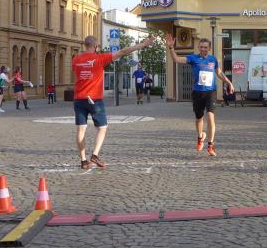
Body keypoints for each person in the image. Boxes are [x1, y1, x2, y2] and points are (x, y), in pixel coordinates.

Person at [73, 35, 154, 169]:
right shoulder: (99, 58)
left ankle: (83, 160)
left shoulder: (76, 60)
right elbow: (123, 51)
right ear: (96, 46)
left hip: (79, 98)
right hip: (94, 99)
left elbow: (77, 74)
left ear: (85, 45)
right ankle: (95, 155)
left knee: (81, 129)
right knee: (102, 128)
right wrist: (142, 45)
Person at [165, 34, 234, 157]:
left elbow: (219, 73)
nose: (203, 49)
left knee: (211, 117)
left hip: (211, 92)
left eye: (205, 47)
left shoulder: (213, 60)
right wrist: (171, 48)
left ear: (209, 48)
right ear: (198, 47)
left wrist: (229, 82)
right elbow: (176, 59)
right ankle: (200, 137)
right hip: (197, 92)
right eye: (201, 47)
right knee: (199, 118)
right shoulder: (193, 58)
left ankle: (210, 145)